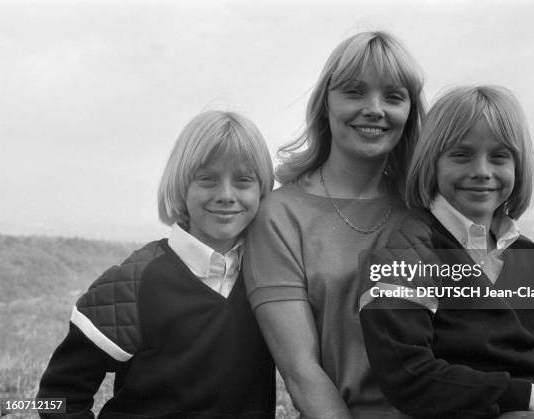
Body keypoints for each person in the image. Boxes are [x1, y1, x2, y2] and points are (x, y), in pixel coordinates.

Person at [358, 86, 534, 419]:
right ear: (432, 163)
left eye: (499, 156)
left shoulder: (528, 256)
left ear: (518, 166)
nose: (482, 170)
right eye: (461, 155)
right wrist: (525, 396)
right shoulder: (403, 252)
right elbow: (408, 375)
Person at [37, 111, 276, 418]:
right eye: (207, 179)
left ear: (262, 190)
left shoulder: (273, 275)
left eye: (243, 180)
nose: (226, 195)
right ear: (181, 186)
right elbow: (55, 397)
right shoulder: (133, 282)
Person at [243, 31, 425, 418]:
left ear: (410, 112)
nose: (374, 109)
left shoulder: (427, 207)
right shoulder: (279, 216)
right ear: (325, 103)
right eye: (354, 92)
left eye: (393, 96)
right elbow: (301, 370)